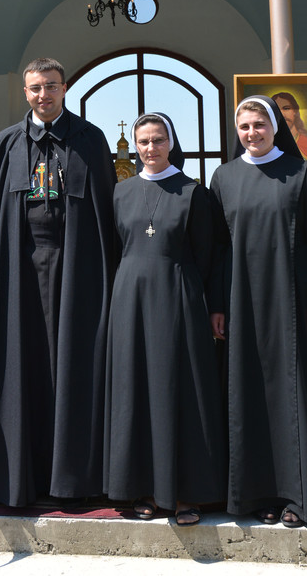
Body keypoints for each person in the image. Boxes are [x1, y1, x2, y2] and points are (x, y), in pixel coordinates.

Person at [0, 58, 117, 508]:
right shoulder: (8, 141)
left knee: (74, 363)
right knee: (24, 364)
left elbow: (105, 211)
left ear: (65, 88)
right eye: (35, 88)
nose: (43, 95)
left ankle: (73, 479)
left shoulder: (90, 139)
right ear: (26, 92)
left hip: (77, 268)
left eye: (51, 86)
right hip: (20, 269)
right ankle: (22, 475)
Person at [209, 95, 307, 528]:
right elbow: (217, 249)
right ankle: (257, 495)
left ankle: (298, 496)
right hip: (240, 304)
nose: (251, 133)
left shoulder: (300, 173)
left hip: (292, 304)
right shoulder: (224, 177)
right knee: (248, 395)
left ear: (274, 127)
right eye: (244, 127)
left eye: (259, 124)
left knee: (292, 396)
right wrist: (216, 305)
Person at [104, 113, 226, 526]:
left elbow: (208, 256)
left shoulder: (193, 193)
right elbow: (114, 249)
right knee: (136, 390)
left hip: (179, 298)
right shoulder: (121, 192)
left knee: (181, 390)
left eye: (158, 140)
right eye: (143, 142)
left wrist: (209, 304)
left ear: (171, 143)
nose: (150, 148)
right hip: (130, 301)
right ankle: (141, 487)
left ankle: (186, 492)